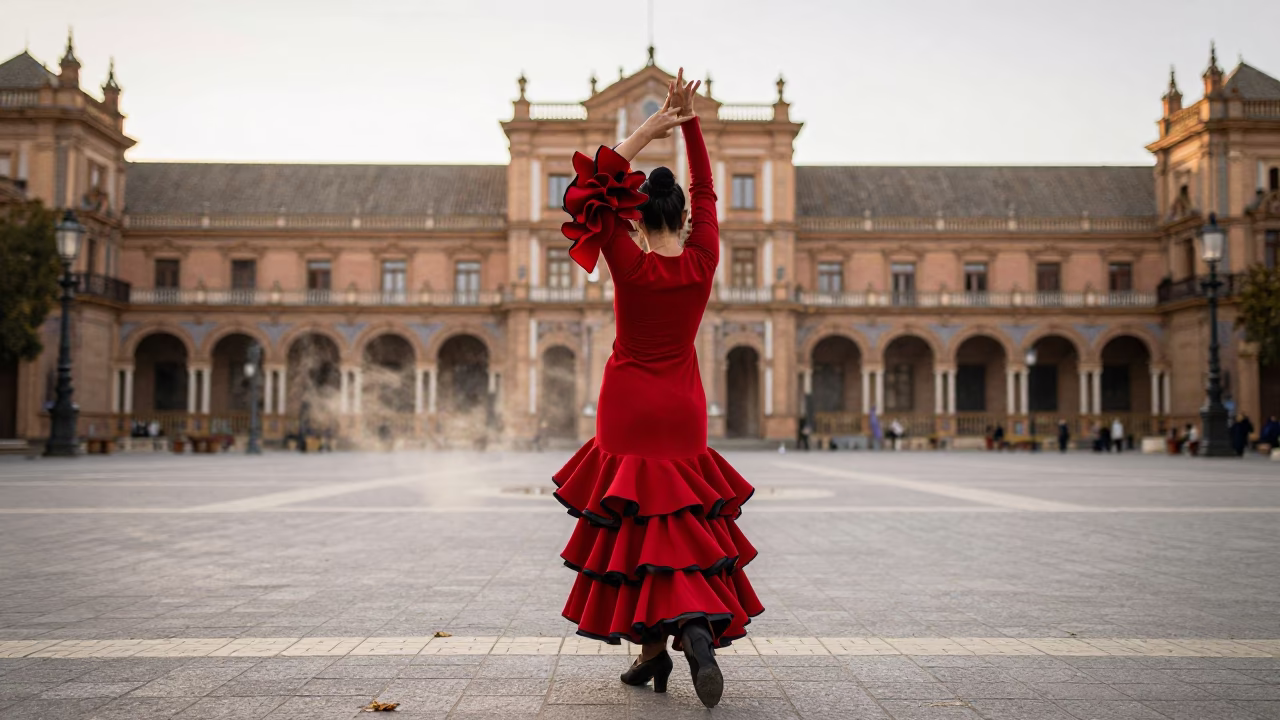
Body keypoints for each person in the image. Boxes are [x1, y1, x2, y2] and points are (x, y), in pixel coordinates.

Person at [551, 71, 758, 710]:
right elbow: (707, 187)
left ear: (636, 220)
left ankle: (663, 642)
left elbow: (589, 184)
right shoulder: (703, 260)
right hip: (684, 408)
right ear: (687, 218)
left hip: (626, 404)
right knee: (679, 521)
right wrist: (691, 121)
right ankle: (675, 641)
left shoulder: (627, 258)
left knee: (631, 521)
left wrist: (652, 125)